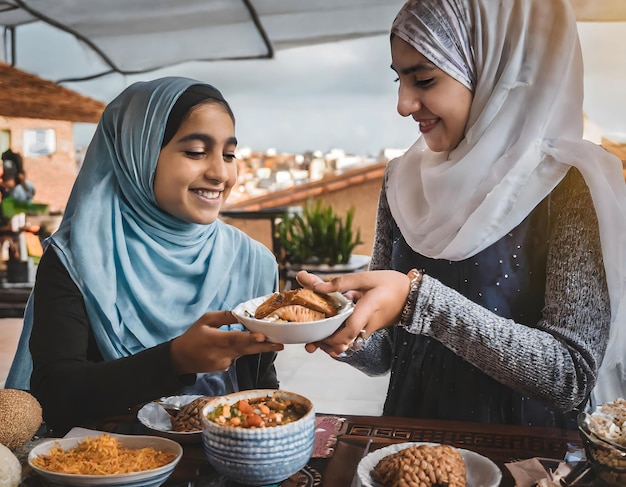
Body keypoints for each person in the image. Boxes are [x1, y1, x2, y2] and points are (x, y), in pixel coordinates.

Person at [297, 0, 626, 429]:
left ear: (498, 70)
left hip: (523, 458)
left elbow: (570, 377)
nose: (403, 104)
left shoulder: (568, 186)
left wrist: (419, 300)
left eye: (425, 79)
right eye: (400, 79)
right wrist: (331, 319)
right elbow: (386, 353)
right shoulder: (402, 180)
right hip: (408, 443)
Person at [6, 77, 284, 435]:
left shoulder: (252, 261)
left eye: (229, 154)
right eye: (196, 151)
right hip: (108, 466)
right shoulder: (77, 259)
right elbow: (55, 396)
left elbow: (260, 384)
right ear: (138, 153)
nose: (220, 173)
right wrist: (175, 359)